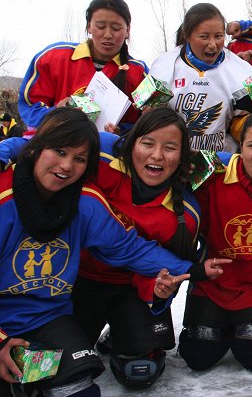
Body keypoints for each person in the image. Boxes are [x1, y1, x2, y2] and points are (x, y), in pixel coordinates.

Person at [0, 108, 224, 397]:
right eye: (59, 152)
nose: (67, 166)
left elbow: (130, 248)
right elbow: (35, 139)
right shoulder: (100, 153)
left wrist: (191, 270)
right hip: (64, 292)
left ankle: (33, 377)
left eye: (79, 159)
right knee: (16, 374)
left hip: (54, 312)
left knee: (79, 384)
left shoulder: (85, 202)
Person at [69, 106, 203, 390]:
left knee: (140, 373)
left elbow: (165, 270)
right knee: (65, 364)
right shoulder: (102, 155)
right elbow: (45, 146)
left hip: (130, 288)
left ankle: (120, 334)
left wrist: (156, 287)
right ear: (131, 143)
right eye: (147, 143)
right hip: (77, 280)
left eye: (170, 148)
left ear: (182, 158)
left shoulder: (185, 215)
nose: (157, 155)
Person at [178, 111, 252, 374]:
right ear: (240, 148)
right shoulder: (213, 171)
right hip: (212, 282)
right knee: (197, 356)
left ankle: (239, 326)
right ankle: (221, 324)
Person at [18, 0, 147, 133]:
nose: (108, 34)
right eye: (100, 26)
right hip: (55, 140)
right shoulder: (54, 58)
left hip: (109, 149)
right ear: (89, 26)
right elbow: (30, 104)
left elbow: (147, 120)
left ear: (127, 30)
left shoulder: (139, 72)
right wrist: (56, 114)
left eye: (116, 28)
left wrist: (121, 131)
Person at [149, 3, 252, 152]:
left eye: (218, 36)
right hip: (174, 161)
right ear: (187, 35)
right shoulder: (162, 65)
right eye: (204, 37)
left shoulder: (243, 70)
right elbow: (145, 118)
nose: (213, 45)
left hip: (222, 162)